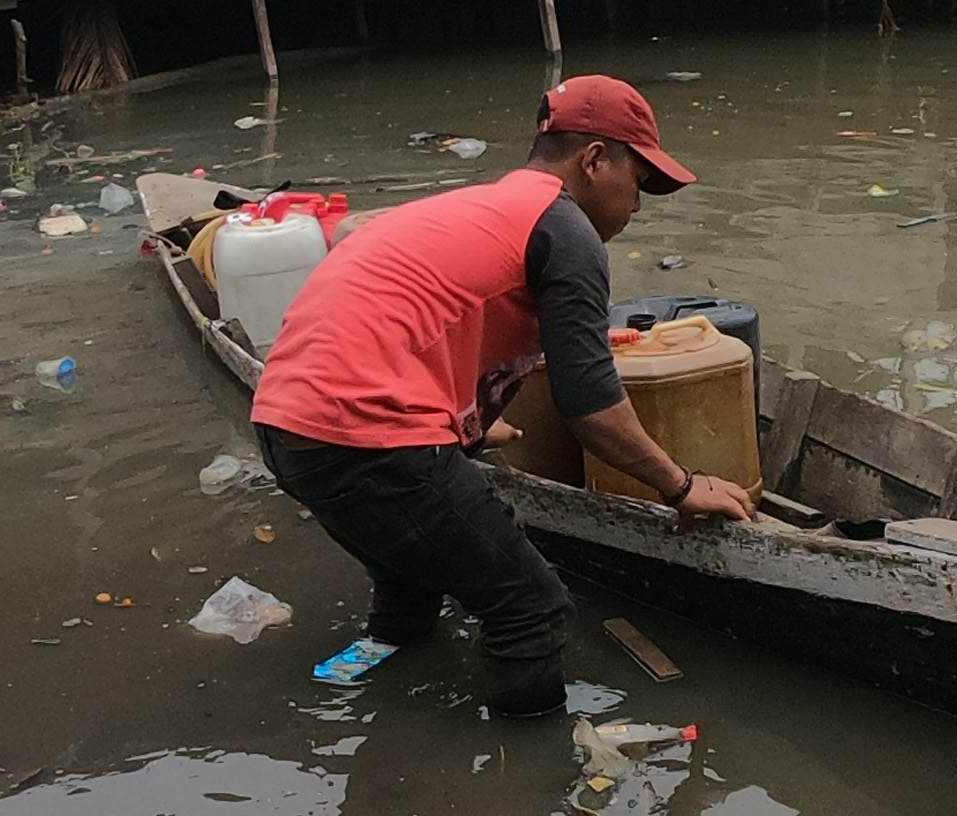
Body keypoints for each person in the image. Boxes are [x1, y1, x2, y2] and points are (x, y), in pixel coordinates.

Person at [248, 75, 752, 717]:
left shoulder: (480, 209)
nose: (639, 206)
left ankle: (361, 684)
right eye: (639, 182)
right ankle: (537, 777)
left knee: (411, 574)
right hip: (367, 434)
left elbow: (418, 325)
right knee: (531, 607)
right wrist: (682, 485)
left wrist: (476, 428)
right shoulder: (564, 231)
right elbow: (591, 410)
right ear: (594, 161)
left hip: (285, 424)